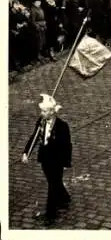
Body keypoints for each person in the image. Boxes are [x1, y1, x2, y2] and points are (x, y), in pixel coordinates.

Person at [22, 94, 72, 226]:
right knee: (53, 181)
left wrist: (66, 163)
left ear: (51, 112)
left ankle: (51, 215)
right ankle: (65, 197)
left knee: (52, 184)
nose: (41, 113)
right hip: (44, 158)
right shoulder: (41, 122)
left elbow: (67, 146)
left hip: (57, 161)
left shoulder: (62, 126)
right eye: (42, 111)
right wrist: (26, 152)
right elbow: (34, 137)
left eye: (44, 111)